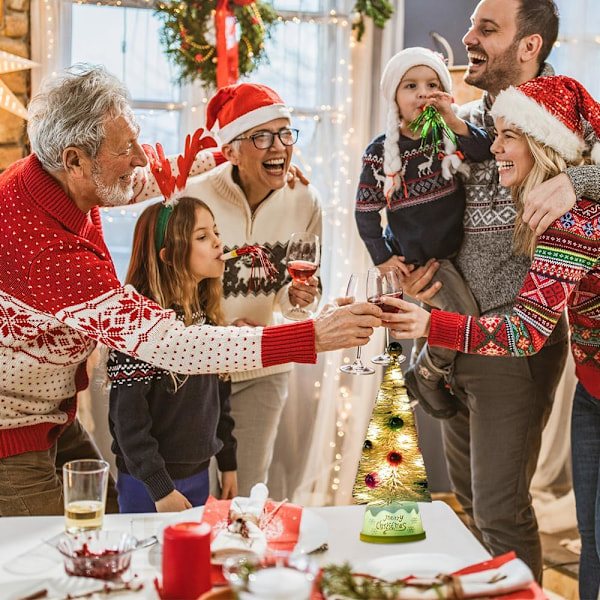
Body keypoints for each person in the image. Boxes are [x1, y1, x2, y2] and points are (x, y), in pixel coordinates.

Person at [0, 64, 382, 517]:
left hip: (51, 413)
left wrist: (245, 157)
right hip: (12, 425)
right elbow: (171, 344)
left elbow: (145, 180)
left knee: (106, 526)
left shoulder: (57, 180)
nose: (141, 159)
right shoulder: (45, 249)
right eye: (127, 150)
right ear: (75, 160)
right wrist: (313, 336)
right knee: (44, 559)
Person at [393, 0, 593, 582]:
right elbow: (406, 178)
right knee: (471, 507)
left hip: (515, 337)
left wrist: (573, 180)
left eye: (487, 28)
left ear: (528, 46)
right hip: (451, 327)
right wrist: (398, 259)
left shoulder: (565, 107)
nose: (468, 37)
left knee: (501, 510)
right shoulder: (461, 111)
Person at [186, 83, 322, 495]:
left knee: (244, 493)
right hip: (199, 367)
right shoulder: (195, 196)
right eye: (261, 136)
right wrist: (223, 333)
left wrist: (300, 300)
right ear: (231, 151)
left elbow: (301, 299)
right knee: (195, 489)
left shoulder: (304, 199)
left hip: (265, 369)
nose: (277, 146)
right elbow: (172, 288)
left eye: (284, 133)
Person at [354, 47, 491, 417]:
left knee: (449, 317)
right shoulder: (380, 152)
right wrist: (383, 258)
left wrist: (454, 118)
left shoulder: (447, 133)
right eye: (410, 86)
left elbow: (485, 151)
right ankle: (426, 375)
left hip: (454, 251)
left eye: (432, 85)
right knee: (465, 318)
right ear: (394, 97)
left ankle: (427, 369)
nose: (421, 93)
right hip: (421, 259)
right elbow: (366, 212)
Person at [108, 197, 238, 513]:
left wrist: (227, 462)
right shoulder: (138, 327)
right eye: (202, 236)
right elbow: (127, 421)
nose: (218, 242)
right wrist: (160, 488)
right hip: (149, 485)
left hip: (199, 474)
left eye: (216, 232)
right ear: (169, 256)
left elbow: (220, 399)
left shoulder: (207, 318)